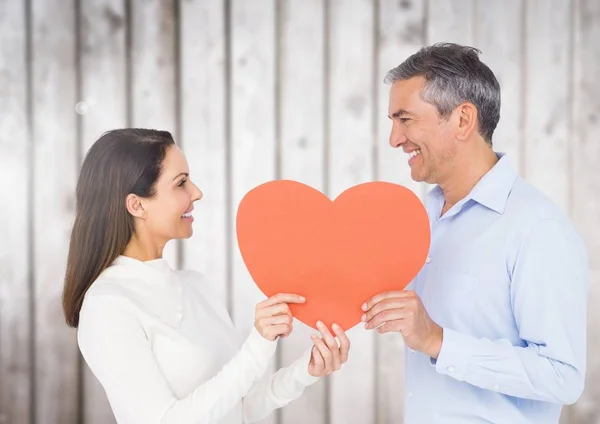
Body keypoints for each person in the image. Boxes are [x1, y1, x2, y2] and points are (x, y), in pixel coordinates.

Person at [361, 43, 588, 423]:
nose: (394, 139)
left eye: (406, 120)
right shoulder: (421, 218)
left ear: (463, 120)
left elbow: (562, 376)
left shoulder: (538, 228)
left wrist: (436, 340)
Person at [61, 128, 351, 424]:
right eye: (181, 183)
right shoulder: (108, 306)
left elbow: (237, 410)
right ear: (137, 205)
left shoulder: (196, 286)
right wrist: (259, 344)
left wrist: (305, 371)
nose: (196, 192)